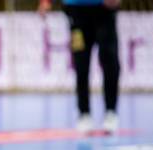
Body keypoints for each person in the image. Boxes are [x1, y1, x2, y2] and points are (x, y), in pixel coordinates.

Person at [39, 0, 121, 134]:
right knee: (81, 64)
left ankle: (111, 111)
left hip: (104, 10)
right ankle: (84, 113)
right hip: (76, 11)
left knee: (110, 60)